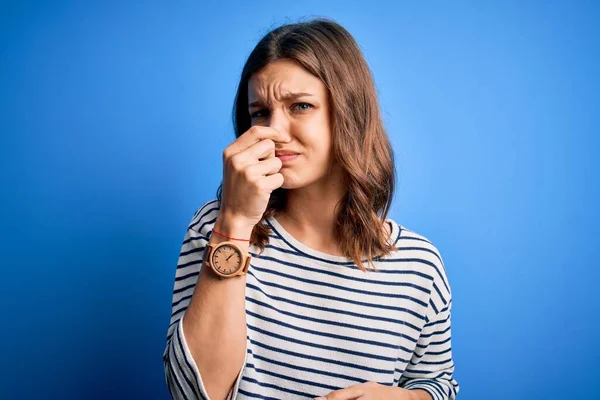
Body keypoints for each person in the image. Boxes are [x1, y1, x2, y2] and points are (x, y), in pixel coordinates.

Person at [163, 18, 459, 400]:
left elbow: (438, 385)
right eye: (259, 113)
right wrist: (235, 222)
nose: (275, 131)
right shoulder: (217, 228)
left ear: (350, 113)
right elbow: (192, 394)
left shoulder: (419, 265)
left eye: (300, 106)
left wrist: (406, 397)